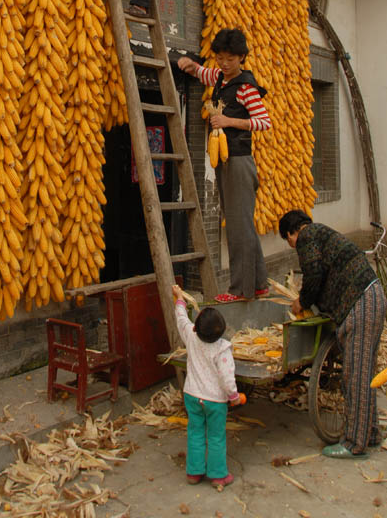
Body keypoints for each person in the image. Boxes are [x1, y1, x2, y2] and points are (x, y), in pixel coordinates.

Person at [278, 209, 387, 458]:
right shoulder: (322, 234)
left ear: (291, 232)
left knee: (355, 375)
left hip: (359, 303)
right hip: (372, 297)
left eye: (288, 240)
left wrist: (302, 302)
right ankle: (370, 433)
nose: (292, 245)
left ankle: (353, 443)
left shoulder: (307, 237)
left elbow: (314, 274)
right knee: (365, 372)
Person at [177, 28, 270, 302]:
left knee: (238, 226)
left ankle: (240, 290)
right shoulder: (220, 76)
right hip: (226, 160)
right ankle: (260, 283)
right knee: (243, 224)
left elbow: (264, 121)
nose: (224, 64)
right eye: (220, 58)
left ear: (241, 58)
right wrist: (190, 65)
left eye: (230, 59)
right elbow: (203, 73)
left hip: (240, 161)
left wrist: (228, 121)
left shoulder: (246, 87)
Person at [172, 283, 243, 488]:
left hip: (192, 396)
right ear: (221, 333)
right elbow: (227, 378)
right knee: (216, 436)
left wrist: (178, 298)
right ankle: (218, 475)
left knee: (195, 432)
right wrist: (234, 396)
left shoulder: (191, 337)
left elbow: (181, 318)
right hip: (215, 401)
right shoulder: (222, 350)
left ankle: (194, 472)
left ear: (196, 327)